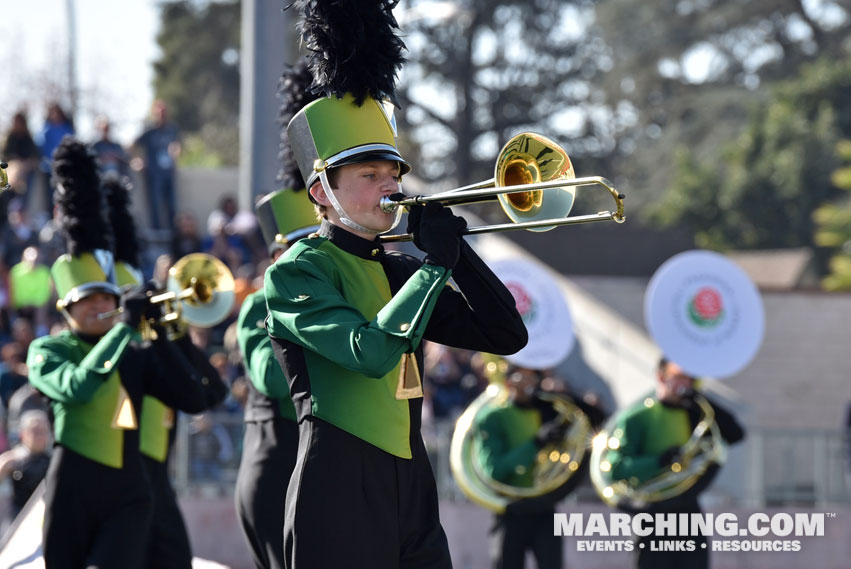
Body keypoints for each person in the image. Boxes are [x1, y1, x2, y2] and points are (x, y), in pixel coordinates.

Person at [265, 3, 528, 566]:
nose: (389, 187)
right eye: (369, 176)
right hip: (336, 486)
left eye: (393, 174)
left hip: (411, 480)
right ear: (321, 193)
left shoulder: (398, 269)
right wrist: (432, 267)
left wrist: (460, 255)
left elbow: (506, 334)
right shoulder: (296, 271)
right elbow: (369, 353)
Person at [26, 137, 212, 569]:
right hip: (71, 488)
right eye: (87, 300)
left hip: (130, 493)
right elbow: (78, 386)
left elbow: (199, 397)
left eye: (106, 298)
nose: (99, 307)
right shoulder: (48, 349)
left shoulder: (133, 349)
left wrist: (166, 334)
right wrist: (124, 329)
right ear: (65, 307)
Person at [103, 173, 227, 569]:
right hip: (115, 477)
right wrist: (134, 329)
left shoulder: (154, 350)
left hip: (157, 475)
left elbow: (211, 394)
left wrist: (173, 336)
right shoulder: (120, 354)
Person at [604, 357, 745, 569]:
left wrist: (700, 399)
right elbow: (616, 468)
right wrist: (659, 461)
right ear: (661, 376)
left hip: (689, 513)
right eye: (679, 377)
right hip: (653, 514)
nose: (685, 384)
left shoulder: (697, 416)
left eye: (690, 379)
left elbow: (735, 434)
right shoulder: (637, 417)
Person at [474, 366, 603, 569]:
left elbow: (598, 420)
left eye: (532, 377)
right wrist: (536, 443)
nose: (528, 383)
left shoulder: (551, 409)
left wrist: (567, 396)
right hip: (510, 509)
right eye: (522, 377)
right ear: (509, 382)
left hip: (544, 506)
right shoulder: (493, 417)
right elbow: (495, 471)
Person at [133, 99, 181, 232]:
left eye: (164, 112)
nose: (162, 115)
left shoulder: (172, 129)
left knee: (172, 205)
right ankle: (157, 232)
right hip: (154, 174)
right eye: (159, 113)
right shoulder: (149, 131)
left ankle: (173, 233)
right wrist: (137, 160)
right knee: (155, 205)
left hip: (168, 173)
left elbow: (177, 145)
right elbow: (133, 145)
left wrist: (176, 151)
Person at [0, 409, 51, 521]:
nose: (40, 436)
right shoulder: (12, 459)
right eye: (35, 431)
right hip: (18, 518)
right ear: (22, 434)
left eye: (43, 431)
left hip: (44, 515)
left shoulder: (53, 461)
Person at [35, 103, 74, 214]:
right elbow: (40, 146)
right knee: (50, 196)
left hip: (65, 168)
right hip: (49, 169)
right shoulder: (46, 130)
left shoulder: (67, 129)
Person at [2, 111, 40, 210]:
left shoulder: (28, 138)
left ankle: (20, 206)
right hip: (12, 169)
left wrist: (26, 163)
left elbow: (35, 156)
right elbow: (5, 156)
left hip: (26, 170)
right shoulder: (10, 138)